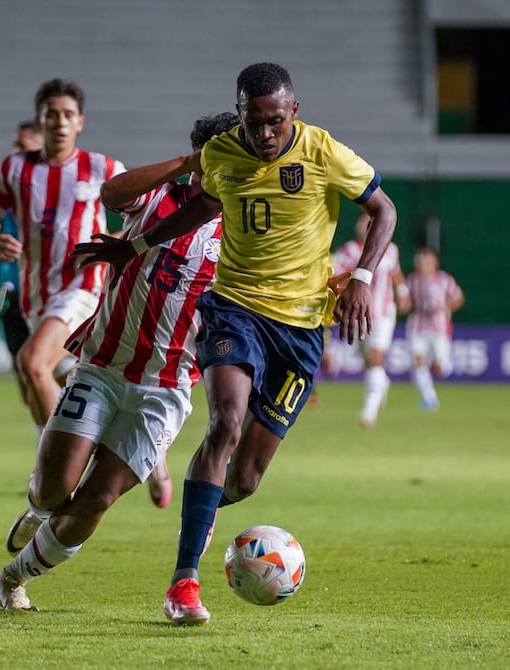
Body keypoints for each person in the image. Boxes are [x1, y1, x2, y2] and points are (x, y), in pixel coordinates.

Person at [73, 62, 398, 625]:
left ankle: (196, 506)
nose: (264, 134)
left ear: (293, 111)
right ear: (240, 112)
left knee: (243, 479)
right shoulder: (224, 153)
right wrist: (135, 246)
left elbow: (383, 209)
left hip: (300, 331)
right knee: (225, 418)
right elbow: (202, 207)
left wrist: (364, 278)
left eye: (274, 121)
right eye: (253, 122)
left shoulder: (323, 152)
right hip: (235, 309)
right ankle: (184, 583)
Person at [0, 112, 240, 612]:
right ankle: (37, 510)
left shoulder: (242, 231)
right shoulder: (159, 198)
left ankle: (11, 580)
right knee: (54, 489)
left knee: (96, 498)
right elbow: (111, 194)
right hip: (102, 367)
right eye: (217, 154)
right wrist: (185, 164)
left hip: (164, 390)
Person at [0, 81, 171, 511]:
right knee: (74, 383)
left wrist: (116, 244)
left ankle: (53, 472)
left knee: (30, 362)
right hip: (35, 299)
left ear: (80, 122)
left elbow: (147, 213)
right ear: (39, 120)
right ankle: (154, 456)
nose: (59, 122)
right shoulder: (13, 170)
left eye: (67, 114)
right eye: (51, 114)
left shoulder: (101, 168)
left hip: (85, 288)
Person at [332, 212, 410, 426]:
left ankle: (369, 411)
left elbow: (396, 273)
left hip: (384, 313)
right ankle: (381, 383)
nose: (365, 225)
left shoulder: (390, 249)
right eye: (362, 222)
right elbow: (338, 277)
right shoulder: (349, 250)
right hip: (356, 313)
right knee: (369, 362)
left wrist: (403, 292)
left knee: (376, 358)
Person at [0, 120, 42, 402]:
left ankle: (70, 440)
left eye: (22, 146)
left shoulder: (63, 187)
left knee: (45, 367)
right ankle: (45, 441)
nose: (14, 151)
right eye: (14, 145)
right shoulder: (6, 186)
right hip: (12, 290)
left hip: (53, 294)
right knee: (25, 374)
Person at [405, 247, 464, 411]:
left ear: (435, 262)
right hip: (418, 323)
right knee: (418, 362)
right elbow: (406, 301)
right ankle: (429, 398)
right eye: (420, 260)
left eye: (427, 260)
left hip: (439, 325)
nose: (423, 263)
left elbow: (458, 297)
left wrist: (446, 307)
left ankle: (449, 365)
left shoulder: (444, 280)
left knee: (440, 368)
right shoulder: (412, 280)